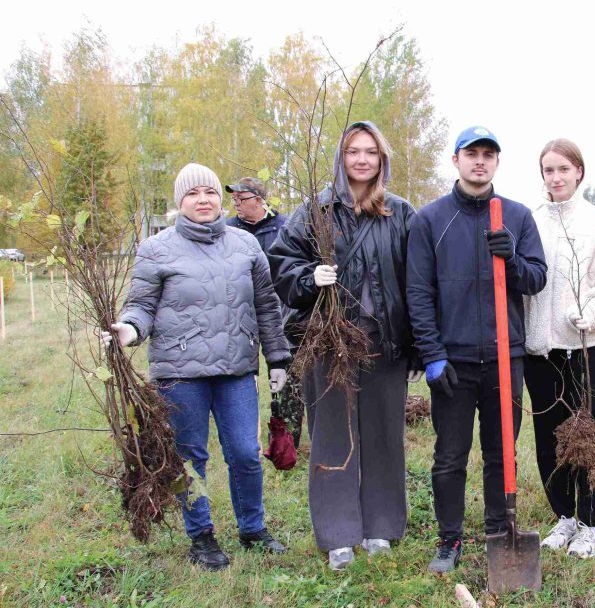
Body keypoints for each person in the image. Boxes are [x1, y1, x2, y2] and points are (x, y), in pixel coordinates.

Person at [103, 163, 291, 570]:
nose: (203, 200)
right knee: (190, 458)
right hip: (179, 373)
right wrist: (130, 330)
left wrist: (277, 357)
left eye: (209, 192)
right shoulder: (156, 249)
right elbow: (141, 306)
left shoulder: (245, 245)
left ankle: (252, 528)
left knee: (244, 451)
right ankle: (201, 536)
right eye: (193, 194)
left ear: (220, 200)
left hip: (236, 371)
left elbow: (267, 306)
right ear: (179, 202)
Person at [267, 121, 421, 570]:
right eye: (353, 151)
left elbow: (416, 284)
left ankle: (380, 527)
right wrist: (308, 278)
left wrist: (415, 345)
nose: (361, 159)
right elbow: (281, 263)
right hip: (329, 343)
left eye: (371, 151)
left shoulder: (399, 213)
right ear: (341, 157)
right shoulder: (315, 210)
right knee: (333, 435)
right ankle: (337, 534)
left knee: (382, 435)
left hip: (384, 342)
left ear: (382, 159)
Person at [406, 126, 547, 573]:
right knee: (450, 453)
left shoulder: (517, 217)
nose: (480, 161)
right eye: (472, 153)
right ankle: (449, 539)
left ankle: (495, 530)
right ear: (456, 160)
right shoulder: (430, 220)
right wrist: (432, 355)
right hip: (454, 360)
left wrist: (513, 259)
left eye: (488, 154)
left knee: (501, 451)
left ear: (497, 163)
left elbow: (537, 278)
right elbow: (418, 292)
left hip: (507, 359)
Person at [523, 139, 595, 559]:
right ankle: (564, 515)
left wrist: (593, 313)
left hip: (586, 348)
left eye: (564, 169)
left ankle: (590, 524)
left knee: (589, 436)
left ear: (579, 172)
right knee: (550, 439)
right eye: (548, 170)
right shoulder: (530, 221)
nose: (556, 177)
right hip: (541, 350)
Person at [225, 176, 304, 446]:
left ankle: (285, 442)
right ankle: (243, 437)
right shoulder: (227, 230)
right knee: (241, 379)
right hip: (240, 315)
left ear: (260, 200)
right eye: (233, 198)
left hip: (281, 316)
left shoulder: (285, 228)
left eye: (241, 198)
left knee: (286, 378)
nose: (235, 203)